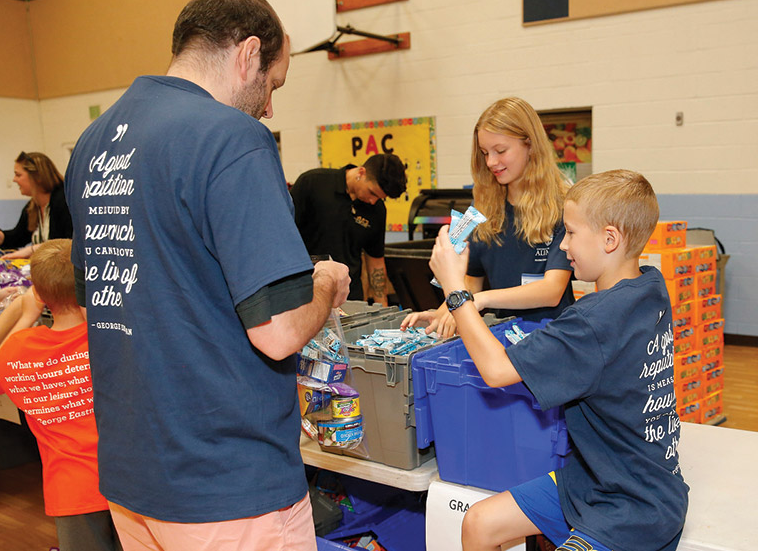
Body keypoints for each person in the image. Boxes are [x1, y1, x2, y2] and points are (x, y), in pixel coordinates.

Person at [64, 0, 349, 551]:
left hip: (132, 477)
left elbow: (104, 295)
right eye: (274, 83)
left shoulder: (93, 144)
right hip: (228, 486)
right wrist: (324, 285)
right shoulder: (232, 138)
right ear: (248, 55)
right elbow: (280, 330)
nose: (269, 107)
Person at [428, 169, 689, 551]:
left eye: (570, 232)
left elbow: (497, 370)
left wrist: (456, 289)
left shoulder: (594, 321)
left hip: (636, 505)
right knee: (479, 522)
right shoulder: (650, 284)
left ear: (610, 239)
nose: (563, 246)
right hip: (593, 478)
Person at [403, 97, 574, 337]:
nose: (492, 162)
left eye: (501, 151)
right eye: (485, 153)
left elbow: (552, 290)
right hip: (500, 336)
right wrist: (442, 314)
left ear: (531, 145)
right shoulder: (481, 208)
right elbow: (471, 282)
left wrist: (480, 300)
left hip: (551, 338)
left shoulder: (564, 205)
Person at [0, 239, 122, 551]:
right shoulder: (109, 338)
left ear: (37, 294)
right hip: (128, 478)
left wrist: (25, 316)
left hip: (69, 490)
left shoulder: (17, 350)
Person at [290, 154, 407, 306]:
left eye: (380, 198)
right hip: (306, 293)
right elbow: (284, 236)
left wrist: (382, 310)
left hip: (349, 298)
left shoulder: (377, 210)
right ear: (361, 172)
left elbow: (375, 263)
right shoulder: (312, 183)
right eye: (372, 192)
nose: (373, 201)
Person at [0, 151, 73, 258]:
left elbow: (69, 243)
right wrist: (1, 237)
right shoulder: (32, 206)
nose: (14, 180)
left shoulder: (63, 201)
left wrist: (32, 250)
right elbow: (19, 237)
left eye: (18, 175)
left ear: (37, 177)